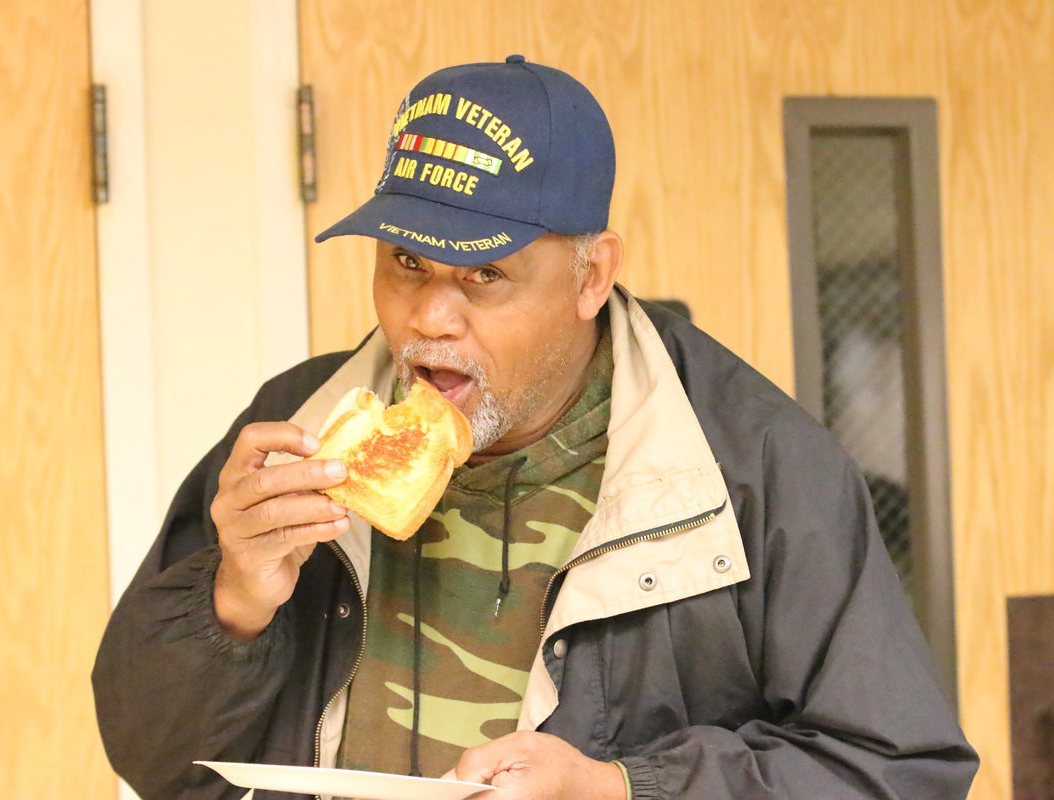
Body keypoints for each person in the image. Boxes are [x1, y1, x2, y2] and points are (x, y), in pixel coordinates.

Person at [93, 56, 978, 800]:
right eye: (406, 263)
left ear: (592, 275)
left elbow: (899, 769)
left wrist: (623, 787)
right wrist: (233, 605)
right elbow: (153, 758)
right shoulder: (298, 423)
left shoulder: (754, 464)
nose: (429, 319)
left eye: (484, 275)